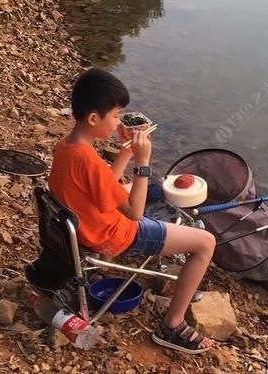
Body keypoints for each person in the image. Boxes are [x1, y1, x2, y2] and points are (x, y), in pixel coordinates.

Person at [48, 68, 215, 354]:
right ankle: (172, 325)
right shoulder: (89, 162)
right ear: (93, 118)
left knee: (152, 187)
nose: (116, 123)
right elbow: (135, 213)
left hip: (88, 224)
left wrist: (125, 151)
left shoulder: (68, 147)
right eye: (114, 116)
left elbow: (105, 185)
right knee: (205, 243)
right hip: (113, 234)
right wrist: (143, 160)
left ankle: (168, 239)